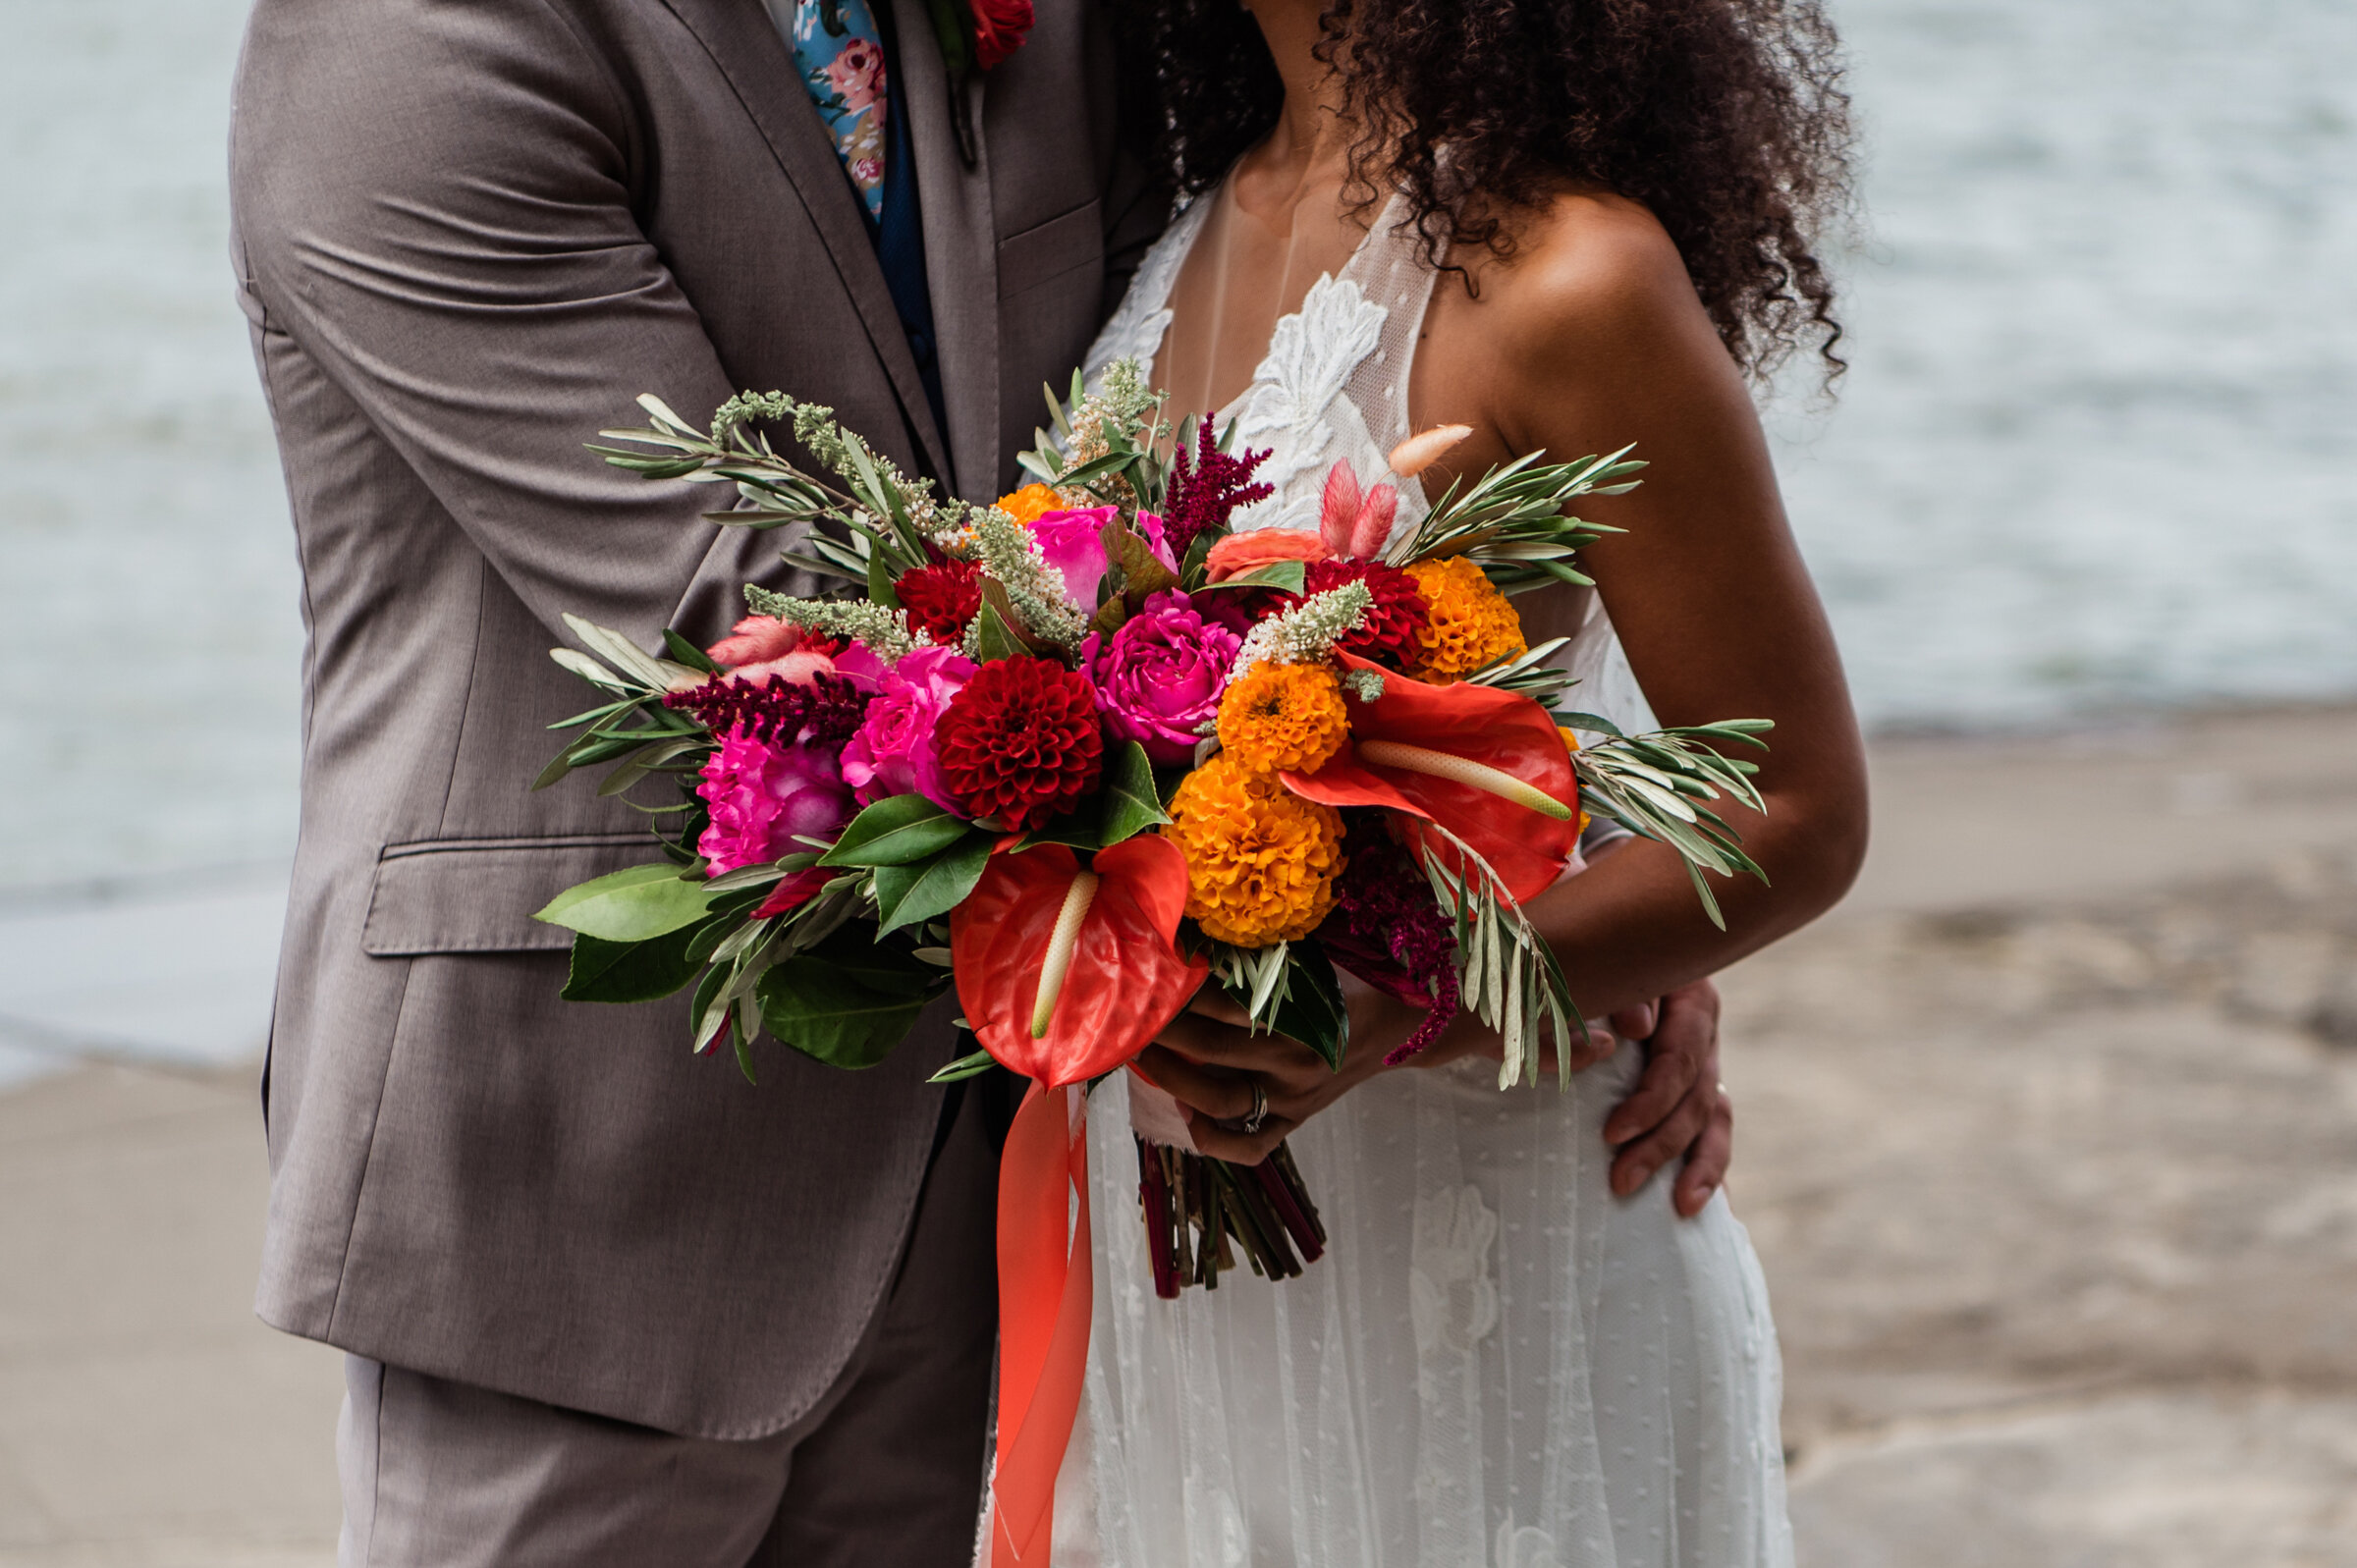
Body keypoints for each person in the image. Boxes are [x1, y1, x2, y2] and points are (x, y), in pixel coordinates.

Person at [227, 0, 1744, 1558]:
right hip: (586, 1181)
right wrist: (1469, 927)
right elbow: (739, 616)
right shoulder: (405, 41)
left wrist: (1556, 900)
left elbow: (1261, 442)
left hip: (1005, 1177)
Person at [1061, 0, 1869, 1562]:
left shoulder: (1568, 276)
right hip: (1180, 1258)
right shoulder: (1173, 216)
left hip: (1478, 1253)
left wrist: (1414, 998)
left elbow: (1798, 808)